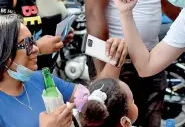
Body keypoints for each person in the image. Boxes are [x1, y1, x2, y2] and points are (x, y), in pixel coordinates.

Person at [0, 14, 128, 127]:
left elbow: (96, 98)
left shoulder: (41, 79)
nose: (35, 48)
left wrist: (115, 58)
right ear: (4, 52)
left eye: (33, 41)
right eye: (26, 43)